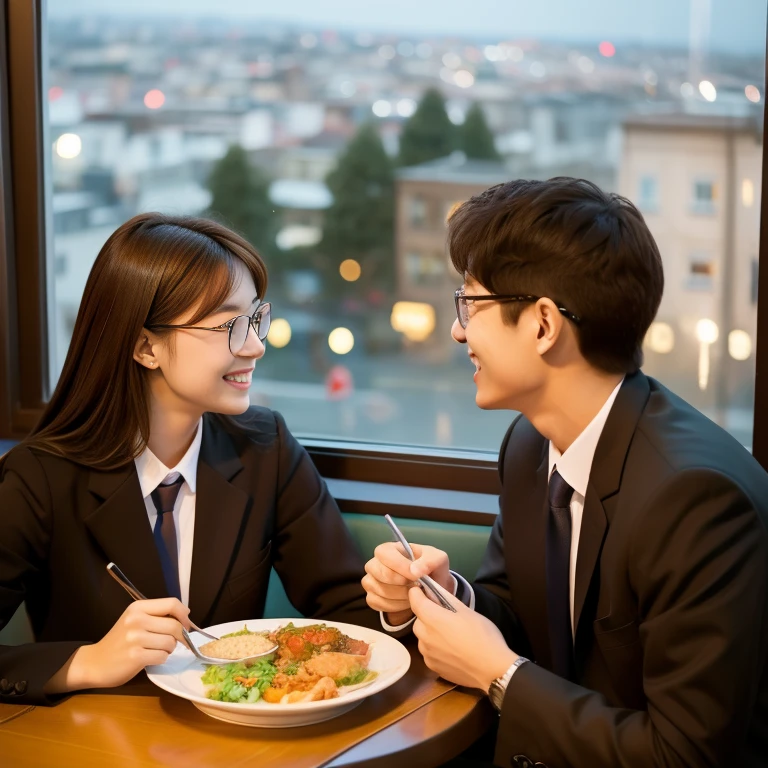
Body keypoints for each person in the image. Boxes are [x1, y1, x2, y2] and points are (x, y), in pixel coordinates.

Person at [362, 178, 768, 767]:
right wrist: (448, 597)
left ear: (543, 325)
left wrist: (498, 673)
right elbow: (521, 612)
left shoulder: (695, 498)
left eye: (469, 304)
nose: (457, 331)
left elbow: (685, 753)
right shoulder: (530, 443)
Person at [0, 213, 374, 706]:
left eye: (255, 319)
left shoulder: (266, 448)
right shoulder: (39, 477)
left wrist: (398, 600)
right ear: (145, 346)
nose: (256, 345)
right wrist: (86, 661)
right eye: (228, 326)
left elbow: (349, 609)